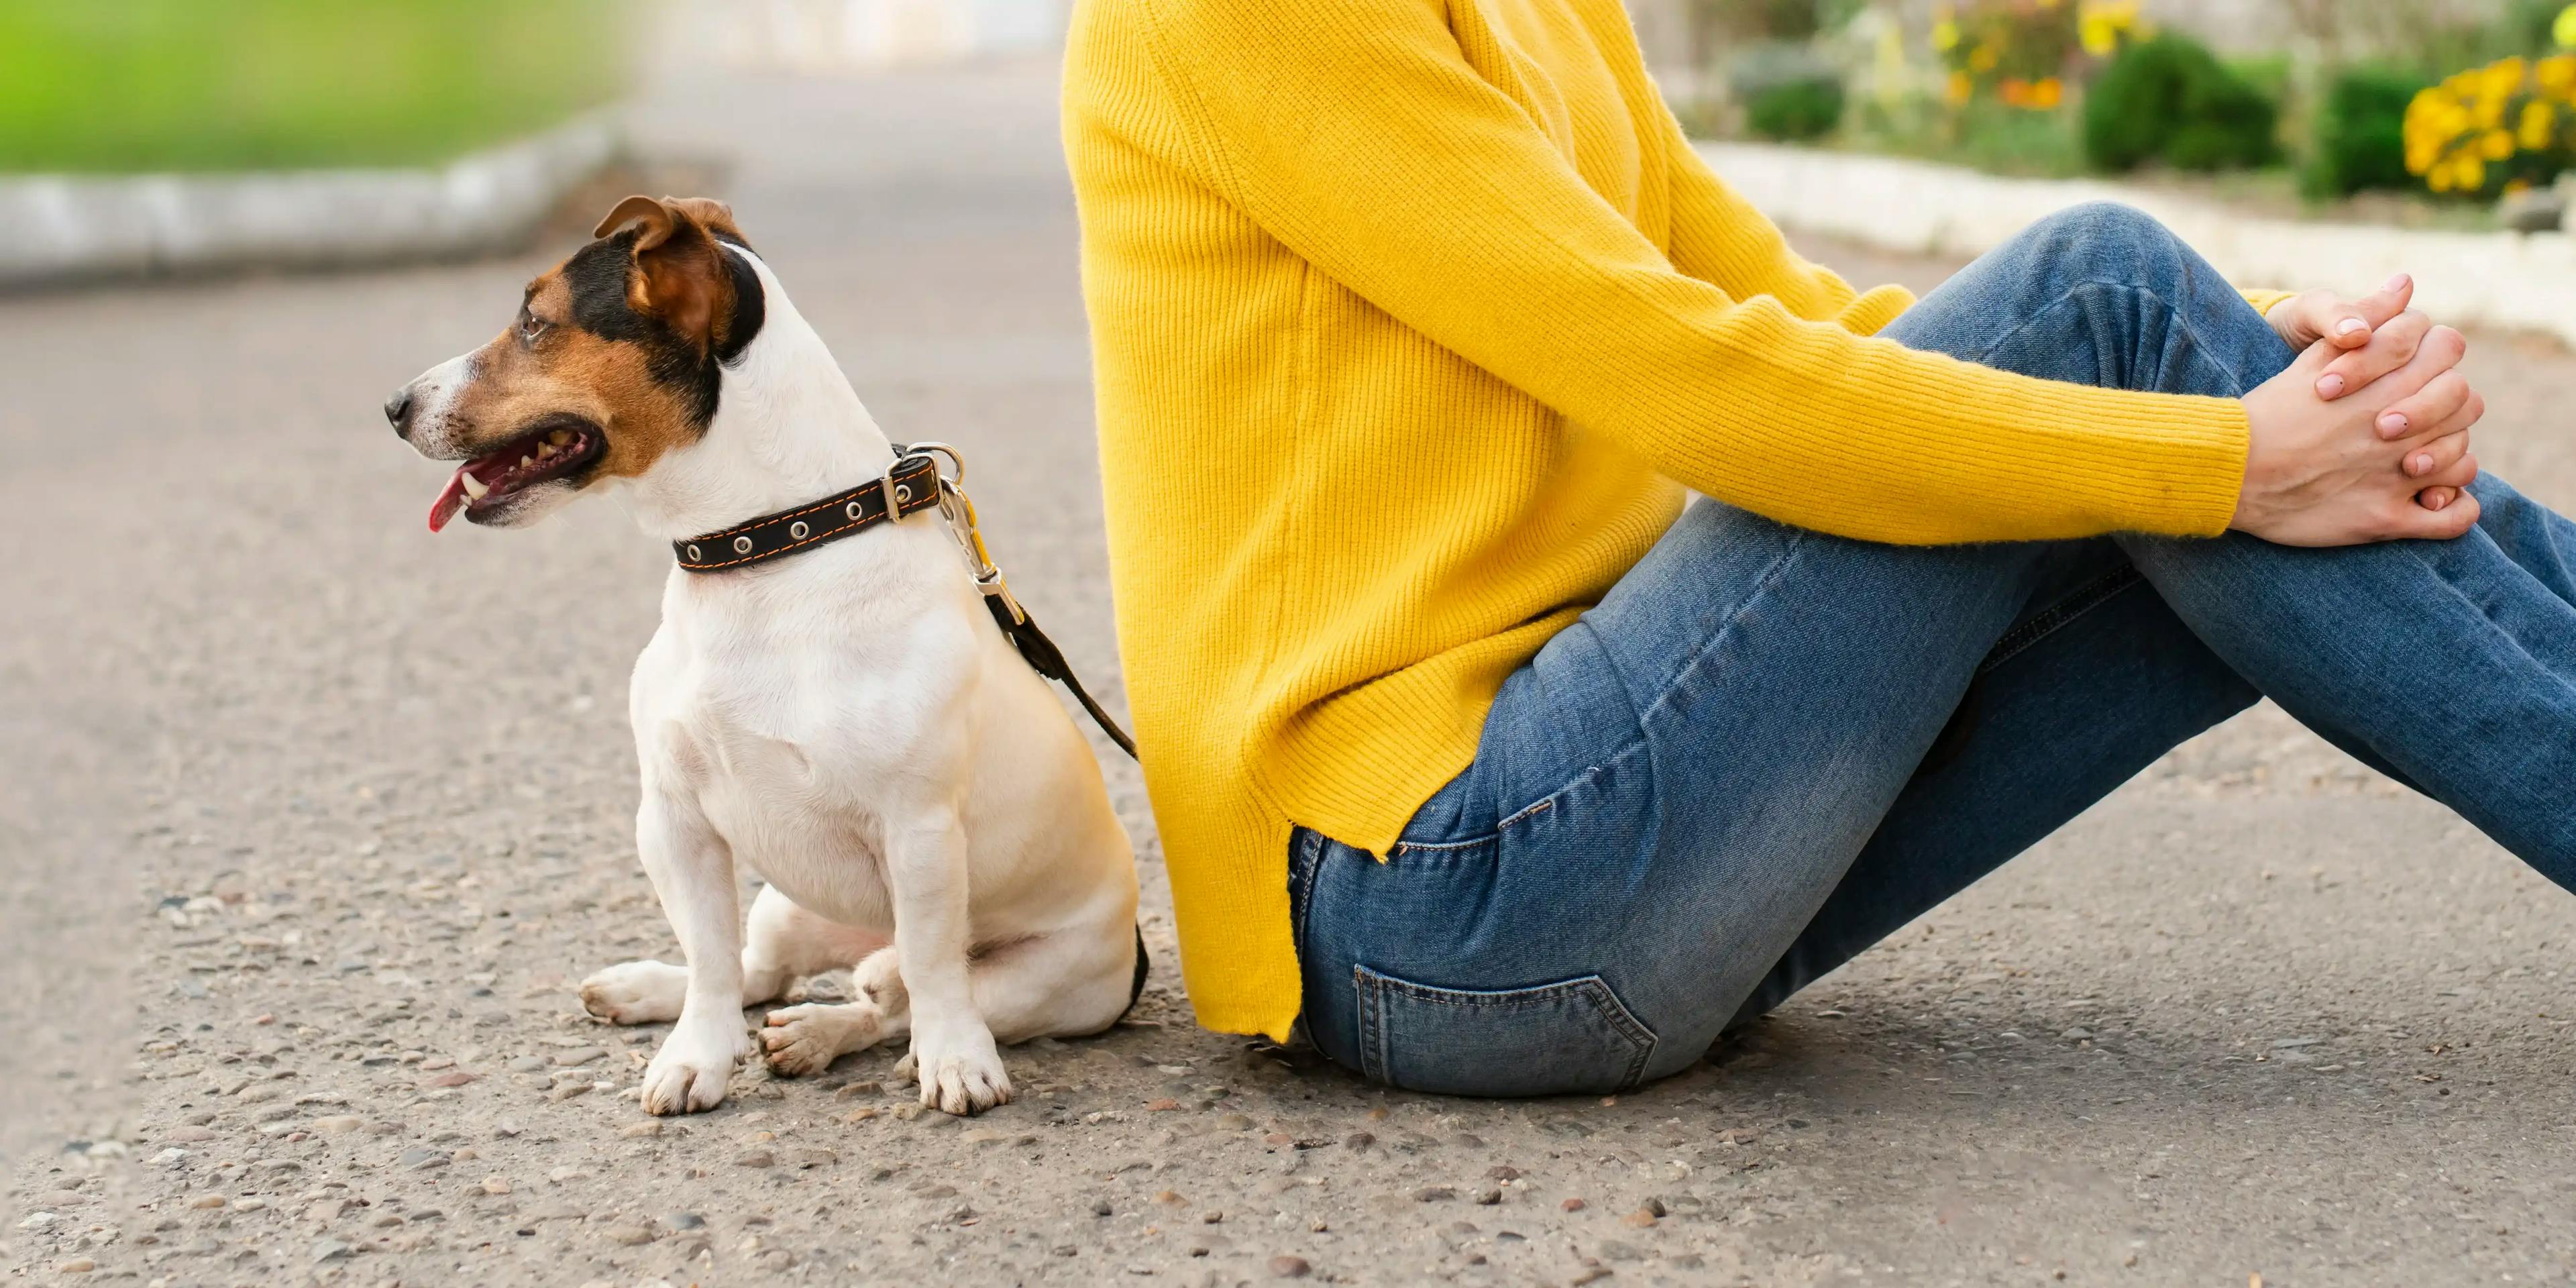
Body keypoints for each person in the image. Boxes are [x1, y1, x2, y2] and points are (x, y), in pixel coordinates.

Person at [1060, 0, 2576, 1095]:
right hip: (1431, 901)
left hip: (1604, 854)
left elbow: (1804, 323)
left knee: (2208, 441)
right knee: (2106, 302)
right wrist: (2224, 451)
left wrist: (2237, 375)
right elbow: (1690, 378)